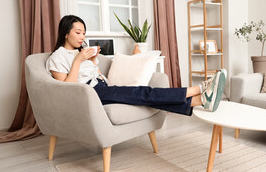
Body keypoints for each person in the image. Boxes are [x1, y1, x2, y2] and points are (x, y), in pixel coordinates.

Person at [45, 15, 226, 116]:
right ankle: (200, 88)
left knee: (143, 99)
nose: (82, 37)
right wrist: (78, 61)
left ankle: (201, 100)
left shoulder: (80, 52)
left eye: (84, 33)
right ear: (66, 33)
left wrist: (92, 62)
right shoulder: (57, 57)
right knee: (143, 92)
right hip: (89, 94)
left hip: (102, 87)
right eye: (78, 32)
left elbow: (97, 75)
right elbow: (66, 88)